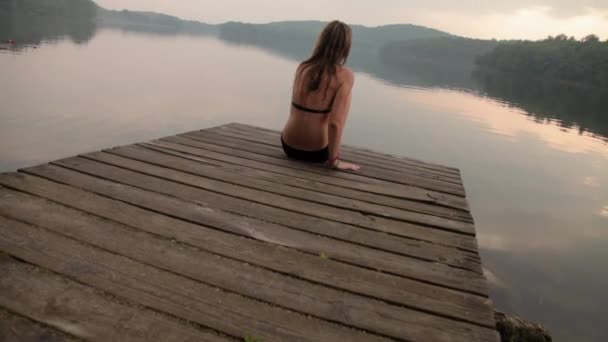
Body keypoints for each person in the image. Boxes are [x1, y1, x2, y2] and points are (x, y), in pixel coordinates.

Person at [281, 20, 360, 171]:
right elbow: (335, 123)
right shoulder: (344, 75)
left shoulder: (303, 67)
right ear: (345, 47)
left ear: (321, 41)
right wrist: (334, 161)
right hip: (316, 152)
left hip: (288, 145)